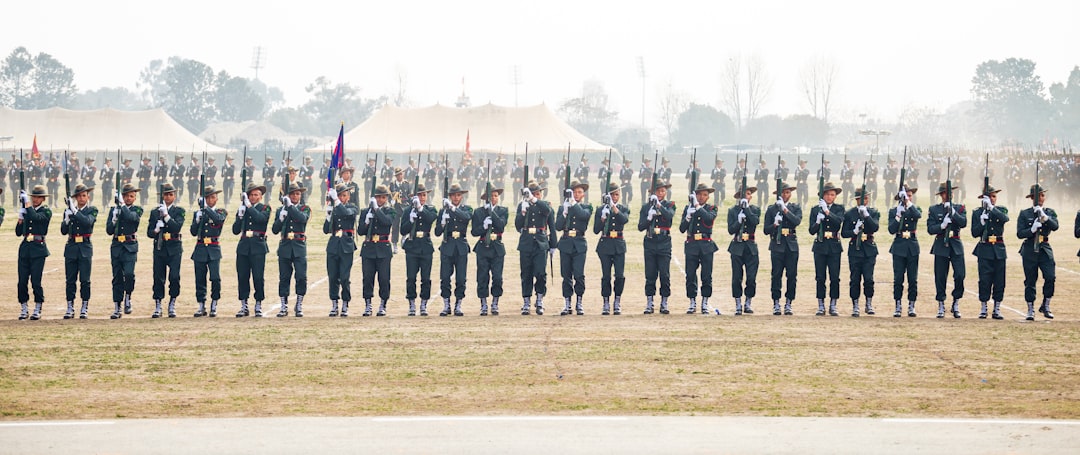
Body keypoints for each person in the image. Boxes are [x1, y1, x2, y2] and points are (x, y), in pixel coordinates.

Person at [927, 183, 968, 318]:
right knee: (940, 276)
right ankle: (941, 303)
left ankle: (956, 302)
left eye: (950, 193)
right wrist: (942, 226)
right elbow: (930, 229)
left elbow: (963, 223)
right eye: (945, 193)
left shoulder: (960, 208)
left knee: (960, 275)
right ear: (941, 195)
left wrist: (953, 212)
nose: (948, 195)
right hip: (940, 245)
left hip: (955, 244)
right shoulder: (934, 209)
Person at [516, 181, 557, 315]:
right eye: (533, 194)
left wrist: (553, 245)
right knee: (526, 273)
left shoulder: (545, 205)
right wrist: (522, 212)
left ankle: (539, 299)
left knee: (540, 272)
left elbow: (551, 223)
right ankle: (526, 301)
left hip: (541, 242)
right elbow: (517, 226)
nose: (536, 196)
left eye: (538, 194)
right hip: (526, 242)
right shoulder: (523, 205)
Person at [1017, 185, 1058, 321]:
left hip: (1044, 247)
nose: (1041, 198)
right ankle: (1030, 308)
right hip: (1029, 248)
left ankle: (1046, 305)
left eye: (1042, 195)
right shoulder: (1025, 213)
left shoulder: (1049, 212)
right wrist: (1032, 230)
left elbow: (1055, 226)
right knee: (1030, 280)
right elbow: (1020, 233)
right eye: (1038, 196)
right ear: (1032, 198)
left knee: (1050, 276)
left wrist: (1045, 218)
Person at [763, 181, 802, 316]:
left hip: (791, 245)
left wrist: (785, 210)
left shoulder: (795, 207)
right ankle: (776, 303)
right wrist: (774, 225)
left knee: (791, 275)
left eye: (788, 192)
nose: (786, 195)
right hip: (777, 245)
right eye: (783, 192)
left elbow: (796, 221)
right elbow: (765, 230)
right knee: (776, 275)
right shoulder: (771, 209)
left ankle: (789, 302)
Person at [232, 183, 271, 317]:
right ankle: (244, 304)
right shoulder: (243, 209)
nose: (253, 197)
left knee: (258, 277)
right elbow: (235, 230)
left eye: (256, 195)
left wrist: (248, 206)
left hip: (258, 246)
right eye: (251, 195)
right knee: (243, 276)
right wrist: (240, 216)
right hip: (243, 246)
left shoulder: (265, 208)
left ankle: (258, 303)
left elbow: (260, 219)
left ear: (260, 197)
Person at [60, 183, 98, 319]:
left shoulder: (92, 210)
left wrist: (74, 212)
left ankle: (84, 306)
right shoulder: (69, 210)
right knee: (70, 280)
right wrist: (66, 218)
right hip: (71, 247)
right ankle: (70, 306)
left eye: (84, 195)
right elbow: (63, 231)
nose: (81, 198)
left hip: (85, 247)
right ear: (75, 198)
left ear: (88, 196)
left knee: (85, 280)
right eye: (79, 196)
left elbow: (88, 222)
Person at [273, 182, 310, 317]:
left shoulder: (304, 208)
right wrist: (281, 218)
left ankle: (299, 304)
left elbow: (302, 219)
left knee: (301, 276)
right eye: (293, 193)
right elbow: (275, 230)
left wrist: (289, 206)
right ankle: (284, 305)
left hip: (299, 246)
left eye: (298, 193)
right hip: (285, 246)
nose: (296, 196)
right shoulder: (280, 210)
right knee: (284, 278)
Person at [680, 183, 719, 314]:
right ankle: (692, 301)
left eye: (704, 195)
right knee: (690, 275)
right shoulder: (688, 208)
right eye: (699, 194)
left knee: (706, 275)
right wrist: (687, 217)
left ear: (708, 197)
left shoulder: (712, 208)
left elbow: (709, 219)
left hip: (706, 245)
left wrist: (697, 206)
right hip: (691, 245)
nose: (701, 197)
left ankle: (705, 301)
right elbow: (681, 229)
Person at [147, 183, 185, 318]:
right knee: (158, 277)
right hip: (160, 248)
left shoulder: (179, 211)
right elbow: (149, 233)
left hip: (174, 248)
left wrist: (167, 216)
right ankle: (158, 304)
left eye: (171, 194)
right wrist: (156, 229)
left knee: (174, 277)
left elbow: (177, 227)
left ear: (174, 196)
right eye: (166, 194)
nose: (168, 197)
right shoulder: (154, 212)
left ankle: (172, 303)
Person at [841, 188, 880, 317]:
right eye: (862, 198)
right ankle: (855, 305)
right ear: (857, 200)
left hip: (869, 249)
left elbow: (874, 227)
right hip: (855, 250)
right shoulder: (850, 214)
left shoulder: (873, 212)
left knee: (869, 278)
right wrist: (854, 231)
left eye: (867, 198)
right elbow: (844, 233)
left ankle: (869, 303)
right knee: (855, 279)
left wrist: (866, 216)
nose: (865, 201)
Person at [435, 184, 473, 316]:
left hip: (461, 246)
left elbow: (466, 217)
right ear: (450, 196)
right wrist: (442, 223)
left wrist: (451, 208)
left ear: (461, 196)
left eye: (458, 195)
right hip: (447, 245)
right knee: (445, 277)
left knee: (461, 278)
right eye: (453, 195)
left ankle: (458, 304)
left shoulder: (467, 208)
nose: (456, 198)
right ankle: (446, 304)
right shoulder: (443, 211)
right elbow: (437, 232)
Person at [972, 185, 1009, 319]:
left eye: (994, 196)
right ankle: (983, 307)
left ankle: (997, 308)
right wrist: (982, 222)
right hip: (984, 249)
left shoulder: (1000, 210)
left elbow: (1005, 219)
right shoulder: (977, 213)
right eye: (990, 197)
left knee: (999, 280)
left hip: (998, 248)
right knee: (984, 280)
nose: (993, 199)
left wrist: (991, 209)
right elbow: (974, 233)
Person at [556, 180, 593, 315]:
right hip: (566, 243)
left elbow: (584, 216)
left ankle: (579, 301)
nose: (577, 194)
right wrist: (565, 212)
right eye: (574, 192)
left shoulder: (587, 207)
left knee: (579, 274)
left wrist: (573, 203)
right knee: (566, 275)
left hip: (579, 244)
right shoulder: (562, 208)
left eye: (579, 192)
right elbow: (558, 226)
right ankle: (567, 303)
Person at [359, 185, 397, 316]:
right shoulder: (365, 211)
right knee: (368, 278)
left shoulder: (390, 211)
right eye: (378, 197)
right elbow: (360, 231)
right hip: (369, 248)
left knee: (384, 278)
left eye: (383, 197)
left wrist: (376, 209)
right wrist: (366, 221)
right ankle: (368, 304)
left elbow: (386, 222)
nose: (380, 199)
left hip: (383, 248)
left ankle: (383, 304)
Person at [639, 180, 676, 314]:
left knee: (664, 274)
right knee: (650, 274)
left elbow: (669, 216)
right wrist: (649, 218)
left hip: (664, 242)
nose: (661, 193)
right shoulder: (645, 207)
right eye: (658, 191)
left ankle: (664, 302)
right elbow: (640, 227)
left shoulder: (669, 205)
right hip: (650, 242)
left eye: (663, 191)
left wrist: (659, 206)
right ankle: (650, 302)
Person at [106, 183, 142, 319]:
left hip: (130, 246)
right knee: (117, 277)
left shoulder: (137, 210)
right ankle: (117, 306)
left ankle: (128, 296)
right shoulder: (114, 210)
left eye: (131, 196)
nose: (128, 198)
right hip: (117, 246)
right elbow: (109, 230)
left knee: (129, 274)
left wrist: (121, 205)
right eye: (126, 196)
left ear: (135, 198)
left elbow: (132, 218)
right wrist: (114, 219)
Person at [809, 182, 845, 316]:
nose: (830, 197)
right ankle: (821, 304)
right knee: (820, 277)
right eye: (827, 194)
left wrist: (827, 211)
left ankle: (833, 304)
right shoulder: (815, 209)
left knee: (835, 277)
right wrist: (818, 222)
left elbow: (838, 222)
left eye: (832, 195)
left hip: (834, 246)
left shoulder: (839, 208)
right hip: (820, 246)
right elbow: (811, 231)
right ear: (822, 196)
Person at [401, 183, 437, 316]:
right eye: (420, 195)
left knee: (426, 278)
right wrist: (410, 220)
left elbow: (431, 218)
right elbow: (402, 230)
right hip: (412, 247)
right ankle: (411, 302)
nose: (422, 197)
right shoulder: (407, 211)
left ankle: (423, 303)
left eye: (424, 195)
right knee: (411, 277)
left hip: (426, 247)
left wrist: (420, 209)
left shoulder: (430, 209)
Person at [190, 186, 227, 317]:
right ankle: (201, 304)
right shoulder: (198, 213)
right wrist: (197, 219)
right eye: (207, 198)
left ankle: (214, 303)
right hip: (200, 248)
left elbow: (218, 220)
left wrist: (205, 208)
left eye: (212, 197)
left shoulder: (221, 211)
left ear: (216, 199)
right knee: (200, 279)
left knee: (215, 278)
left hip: (213, 248)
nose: (210, 200)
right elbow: (193, 232)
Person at [16, 185, 52, 320]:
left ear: (42, 199)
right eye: (33, 197)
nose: (35, 199)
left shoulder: (46, 211)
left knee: (36, 280)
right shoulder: (27, 211)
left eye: (38, 197)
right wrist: (20, 219)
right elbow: (18, 233)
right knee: (22, 281)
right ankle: (24, 307)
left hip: (38, 249)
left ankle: (38, 306)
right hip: (25, 248)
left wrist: (27, 205)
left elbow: (37, 218)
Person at [593, 183, 629, 315]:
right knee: (606, 276)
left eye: (617, 194)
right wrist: (602, 218)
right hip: (605, 245)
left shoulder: (623, 208)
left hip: (618, 245)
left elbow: (624, 220)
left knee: (619, 275)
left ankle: (617, 300)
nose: (615, 197)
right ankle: (606, 301)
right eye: (613, 195)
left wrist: (613, 207)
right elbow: (596, 230)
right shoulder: (600, 210)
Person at [472, 184, 508, 316]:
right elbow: (474, 232)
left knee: (497, 277)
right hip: (483, 247)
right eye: (491, 196)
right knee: (482, 277)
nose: (493, 198)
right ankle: (483, 304)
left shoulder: (502, 210)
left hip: (497, 247)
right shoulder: (478, 212)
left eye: (495, 196)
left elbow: (501, 226)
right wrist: (483, 226)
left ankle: (495, 302)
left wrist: (491, 213)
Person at [324, 183, 358, 317]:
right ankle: (334, 303)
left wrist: (336, 202)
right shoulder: (334, 208)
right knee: (333, 277)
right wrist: (328, 216)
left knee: (344, 277)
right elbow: (326, 230)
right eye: (339, 196)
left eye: (344, 195)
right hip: (333, 245)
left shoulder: (352, 207)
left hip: (346, 245)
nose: (342, 198)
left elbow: (347, 213)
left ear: (348, 196)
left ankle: (345, 303)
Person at [727, 183, 760, 315]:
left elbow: (755, 222)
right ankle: (738, 303)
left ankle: (748, 301)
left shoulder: (755, 209)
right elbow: (731, 230)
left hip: (750, 246)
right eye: (743, 194)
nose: (746, 196)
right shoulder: (733, 211)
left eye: (747, 194)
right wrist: (738, 221)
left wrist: (746, 209)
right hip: (737, 247)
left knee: (751, 277)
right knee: (736, 277)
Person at [888, 184, 921, 317]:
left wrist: (907, 203)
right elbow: (891, 230)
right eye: (906, 195)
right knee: (898, 278)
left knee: (912, 279)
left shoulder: (914, 208)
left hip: (912, 246)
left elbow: (917, 215)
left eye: (910, 195)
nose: (909, 197)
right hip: (899, 246)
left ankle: (911, 305)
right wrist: (897, 216)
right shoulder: (893, 211)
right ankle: (898, 304)